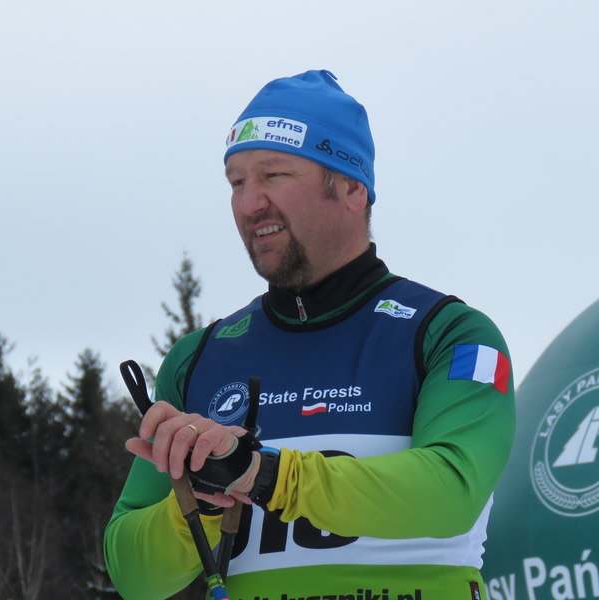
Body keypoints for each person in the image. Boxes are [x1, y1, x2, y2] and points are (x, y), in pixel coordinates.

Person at [104, 69, 515, 600]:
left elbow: (452, 491)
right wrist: (202, 497)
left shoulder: (450, 334)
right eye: (236, 182)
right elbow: (135, 578)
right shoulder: (198, 359)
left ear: (351, 188)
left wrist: (261, 474)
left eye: (273, 175)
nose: (249, 204)